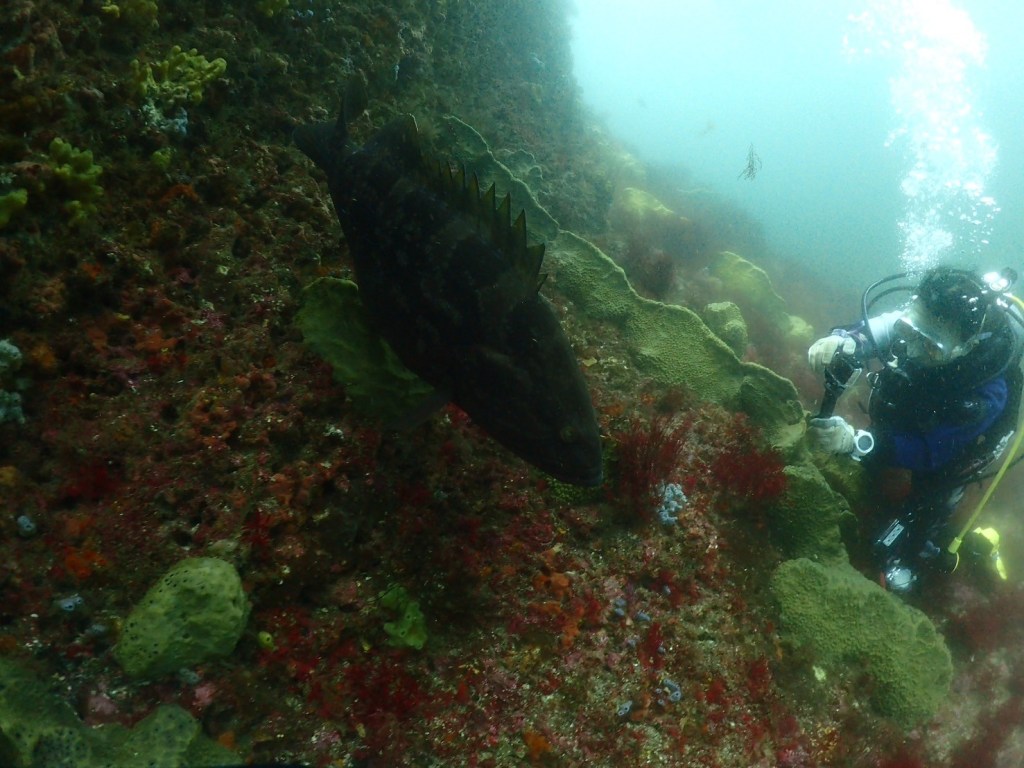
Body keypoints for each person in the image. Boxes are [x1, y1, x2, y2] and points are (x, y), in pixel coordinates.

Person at [806, 266, 1024, 593]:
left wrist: (856, 442)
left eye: (931, 347)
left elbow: (931, 452)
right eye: (909, 332)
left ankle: (926, 554)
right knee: (886, 431)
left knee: (928, 507)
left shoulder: (987, 394)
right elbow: (884, 326)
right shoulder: (928, 321)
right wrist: (846, 340)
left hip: (951, 447)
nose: (913, 350)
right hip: (921, 411)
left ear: (967, 346)